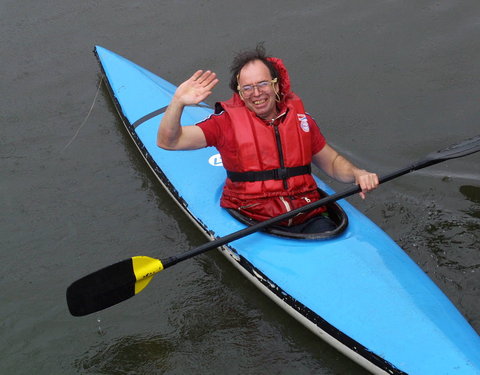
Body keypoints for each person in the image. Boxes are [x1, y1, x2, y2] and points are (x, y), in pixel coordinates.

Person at [157, 44, 379, 234]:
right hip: (254, 219)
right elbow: (169, 141)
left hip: (308, 215)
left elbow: (331, 162)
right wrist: (178, 102)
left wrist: (357, 174)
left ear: (276, 84)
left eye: (262, 84)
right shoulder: (224, 124)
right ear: (240, 94)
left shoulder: (302, 121)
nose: (256, 93)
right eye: (248, 88)